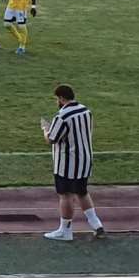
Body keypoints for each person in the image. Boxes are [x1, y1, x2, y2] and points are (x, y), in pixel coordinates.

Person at [41, 84, 103, 241]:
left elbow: (52, 139)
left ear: (62, 98)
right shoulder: (85, 111)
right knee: (82, 192)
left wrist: (45, 129)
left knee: (65, 195)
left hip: (67, 164)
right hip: (85, 160)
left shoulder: (62, 116)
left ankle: (65, 231)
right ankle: (97, 225)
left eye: (57, 99)